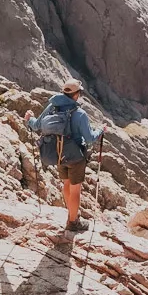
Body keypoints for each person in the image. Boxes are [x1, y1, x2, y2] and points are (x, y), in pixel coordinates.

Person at [25, 79, 107, 236]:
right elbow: (89, 138)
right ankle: (73, 222)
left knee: (66, 185)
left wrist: (29, 119)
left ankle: (71, 216)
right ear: (76, 95)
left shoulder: (52, 107)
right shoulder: (80, 114)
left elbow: (37, 126)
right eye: (79, 93)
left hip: (58, 155)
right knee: (76, 190)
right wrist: (101, 131)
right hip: (76, 157)